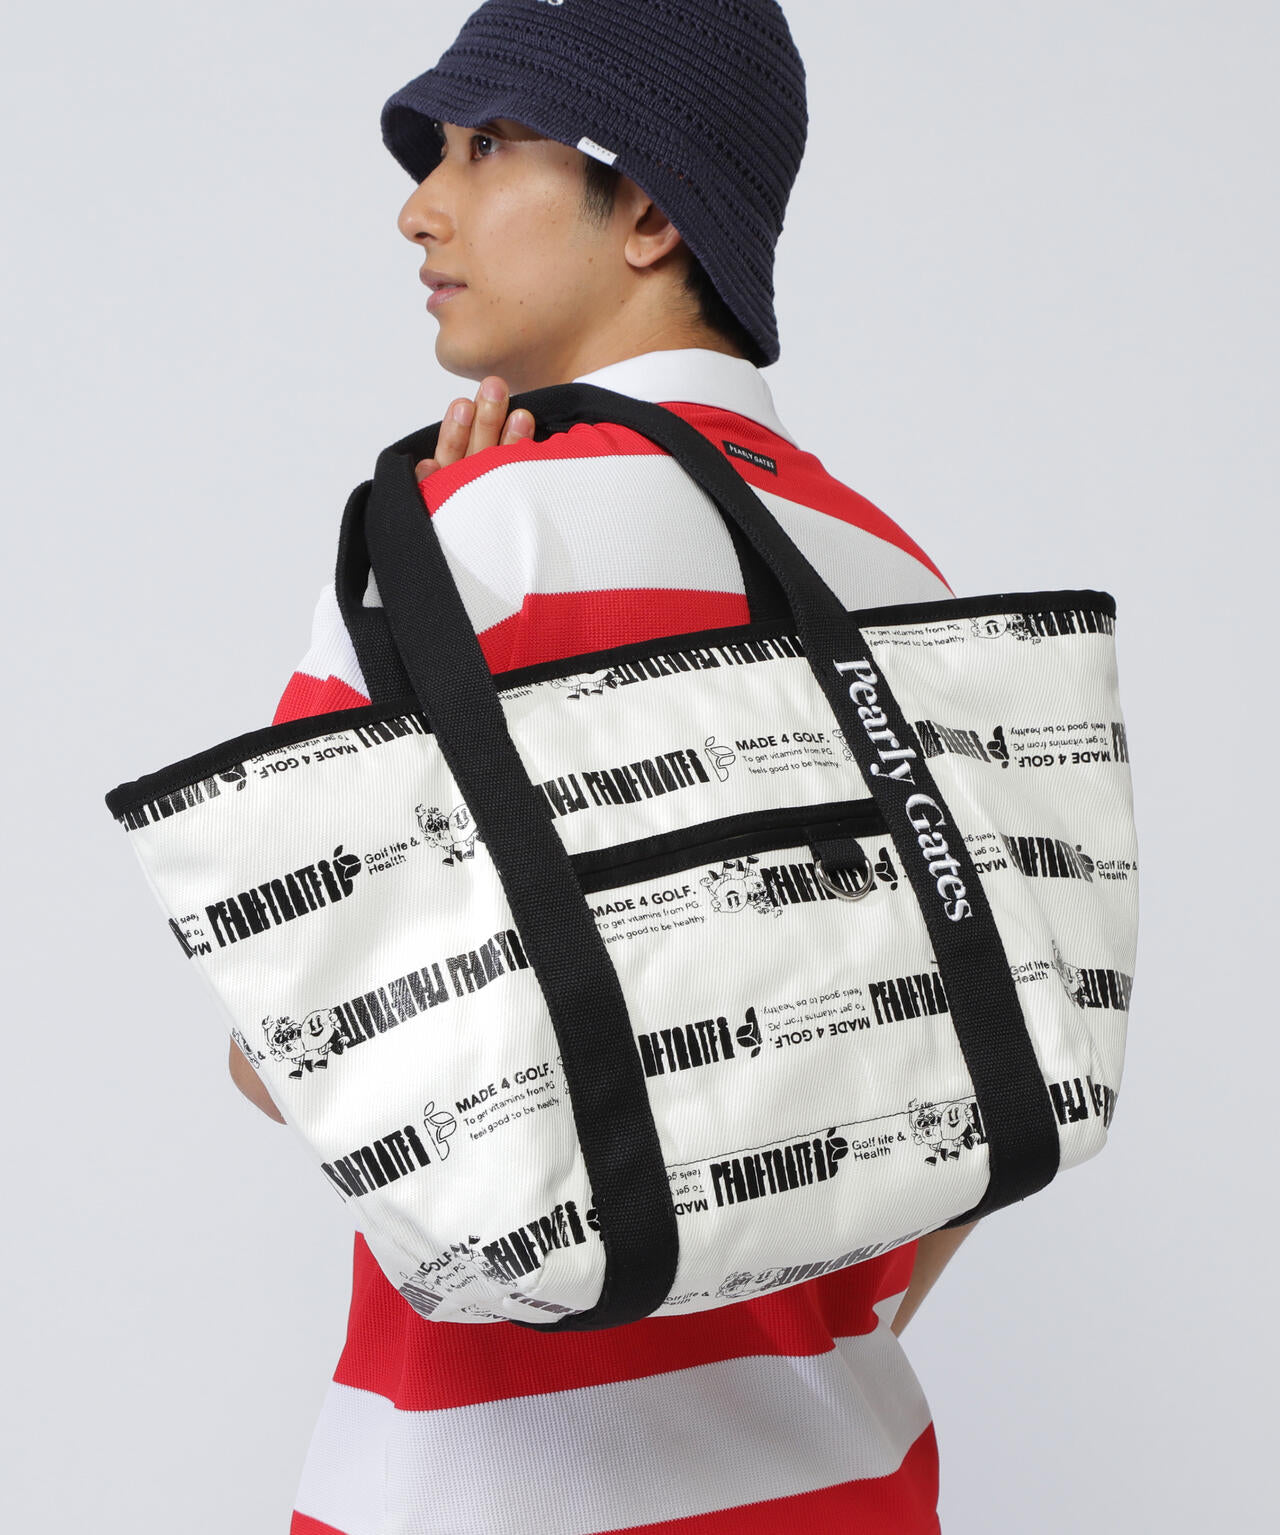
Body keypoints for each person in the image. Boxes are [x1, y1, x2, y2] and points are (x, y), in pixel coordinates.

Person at [229, 3, 979, 1529]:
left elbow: (283, 1052)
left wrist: (426, 638)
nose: (420, 207)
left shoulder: (466, 542)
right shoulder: (905, 581)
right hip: (842, 1483)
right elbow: (984, 1101)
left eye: (486, 147)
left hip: (492, 1496)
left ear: (647, 209)